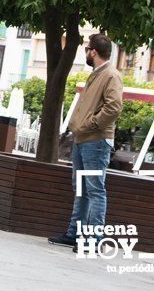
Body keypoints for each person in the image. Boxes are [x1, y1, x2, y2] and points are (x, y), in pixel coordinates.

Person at [48, 33, 123, 253]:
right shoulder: (97, 73)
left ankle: (94, 238)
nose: (86, 53)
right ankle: (75, 234)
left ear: (94, 52)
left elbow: (114, 108)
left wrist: (89, 124)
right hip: (83, 140)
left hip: (96, 141)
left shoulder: (111, 75)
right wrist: (77, 126)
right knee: (81, 189)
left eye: (87, 49)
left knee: (95, 190)